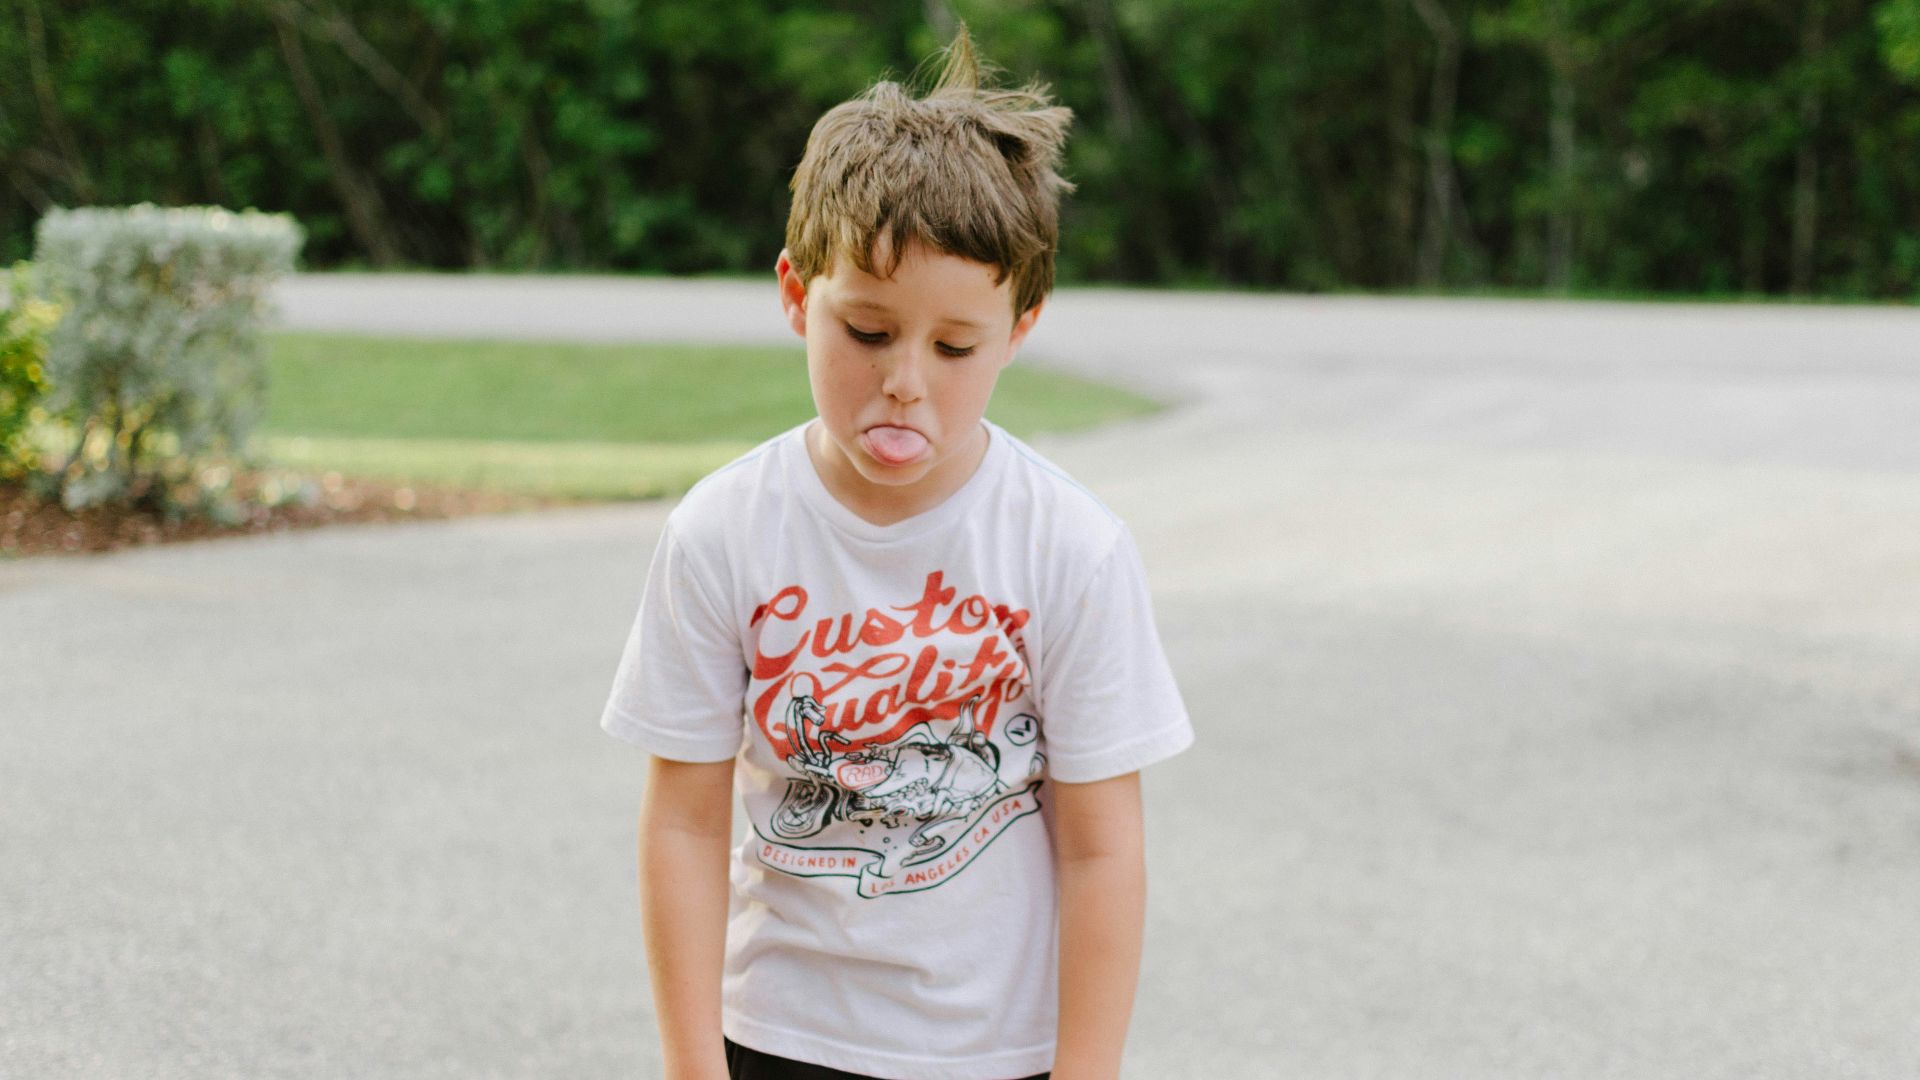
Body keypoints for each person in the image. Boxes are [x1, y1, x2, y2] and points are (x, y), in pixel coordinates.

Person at [599, 28, 1193, 1080]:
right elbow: (684, 822)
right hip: (775, 1036)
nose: (907, 381)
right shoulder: (723, 531)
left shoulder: (1069, 548)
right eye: (868, 332)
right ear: (796, 296)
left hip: (993, 1052)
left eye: (955, 346)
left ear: (1019, 328)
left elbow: (1102, 847)